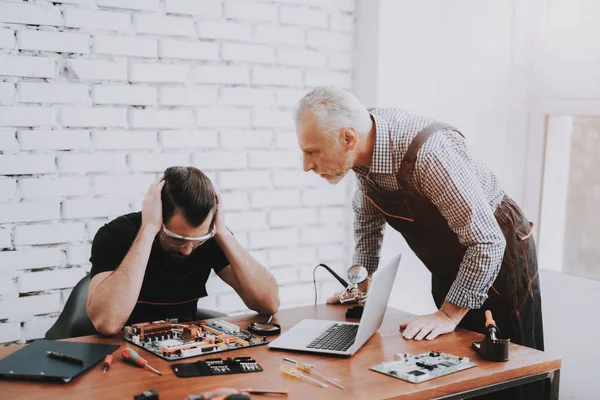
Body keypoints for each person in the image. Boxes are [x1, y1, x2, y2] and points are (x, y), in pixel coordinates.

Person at [294, 86, 543, 352]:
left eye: (312, 152)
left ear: (348, 139)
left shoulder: (429, 155)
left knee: (513, 364)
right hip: (453, 261)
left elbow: (487, 241)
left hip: (499, 258)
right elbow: (368, 220)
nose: (306, 165)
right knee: (462, 362)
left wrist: (448, 314)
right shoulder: (363, 142)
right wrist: (360, 288)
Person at [87, 166, 280, 336]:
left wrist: (222, 233)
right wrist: (148, 230)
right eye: (177, 239)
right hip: (122, 356)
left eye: (196, 241)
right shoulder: (116, 234)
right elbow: (107, 324)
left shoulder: (211, 238)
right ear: (158, 213)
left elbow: (269, 304)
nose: (187, 250)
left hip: (179, 350)